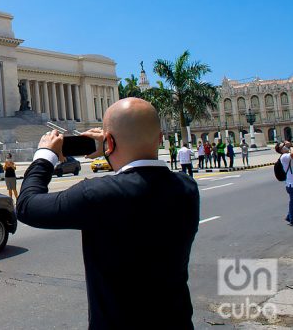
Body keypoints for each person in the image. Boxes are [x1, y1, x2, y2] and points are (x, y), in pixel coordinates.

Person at [17, 98, 199, 329]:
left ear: (109, 143)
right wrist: (112, 146)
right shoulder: (187, 188)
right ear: (161, 138)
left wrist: (44, 157)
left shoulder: (98, 194)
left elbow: (27, 206)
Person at [276, 143, 293, 225]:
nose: (286, 146)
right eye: (284, 146)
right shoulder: (284, 156)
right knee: (292, 202)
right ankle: (292, 219)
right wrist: (291, 146)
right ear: (281, 150)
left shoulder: (287, 155)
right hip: (291, 184)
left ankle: (289, 216)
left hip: (290, 184)